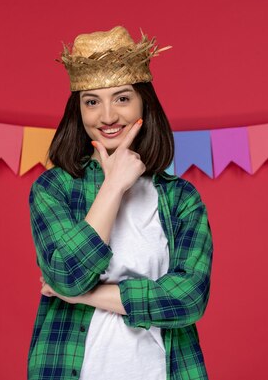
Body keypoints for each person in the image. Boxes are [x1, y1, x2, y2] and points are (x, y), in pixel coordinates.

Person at [27, 25, 214, 380]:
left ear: (145, 102)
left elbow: (189, 299)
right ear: (78, 112)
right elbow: (67, 275)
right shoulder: (54, 188)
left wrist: (84, 296)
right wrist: (113, 186)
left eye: (122, 98)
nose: (108, 116)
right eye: (92, 102)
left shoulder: (181, 199)